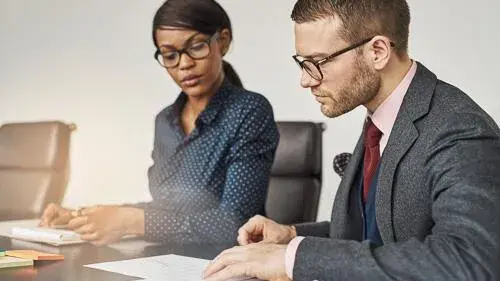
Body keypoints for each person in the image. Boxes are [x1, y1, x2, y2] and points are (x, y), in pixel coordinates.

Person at [202, 0, 500, 280]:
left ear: (378, 51)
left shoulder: (460, 131)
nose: (306, 79)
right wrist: (291, 236)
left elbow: (469, 261)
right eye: (302, 62)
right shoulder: (383, 117)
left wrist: (294, 258)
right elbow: (379, 234)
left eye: (318, 61)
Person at [39, 0, 279, 246]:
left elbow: (235, 223)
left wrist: (130, 221)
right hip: (166, 260)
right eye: (170, 55)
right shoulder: (165, 121)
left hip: (226, 262)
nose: (184, 64)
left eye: (196, 47)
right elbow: (167, 208)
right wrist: (83, 216)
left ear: (223, 41)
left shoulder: (249, 111)